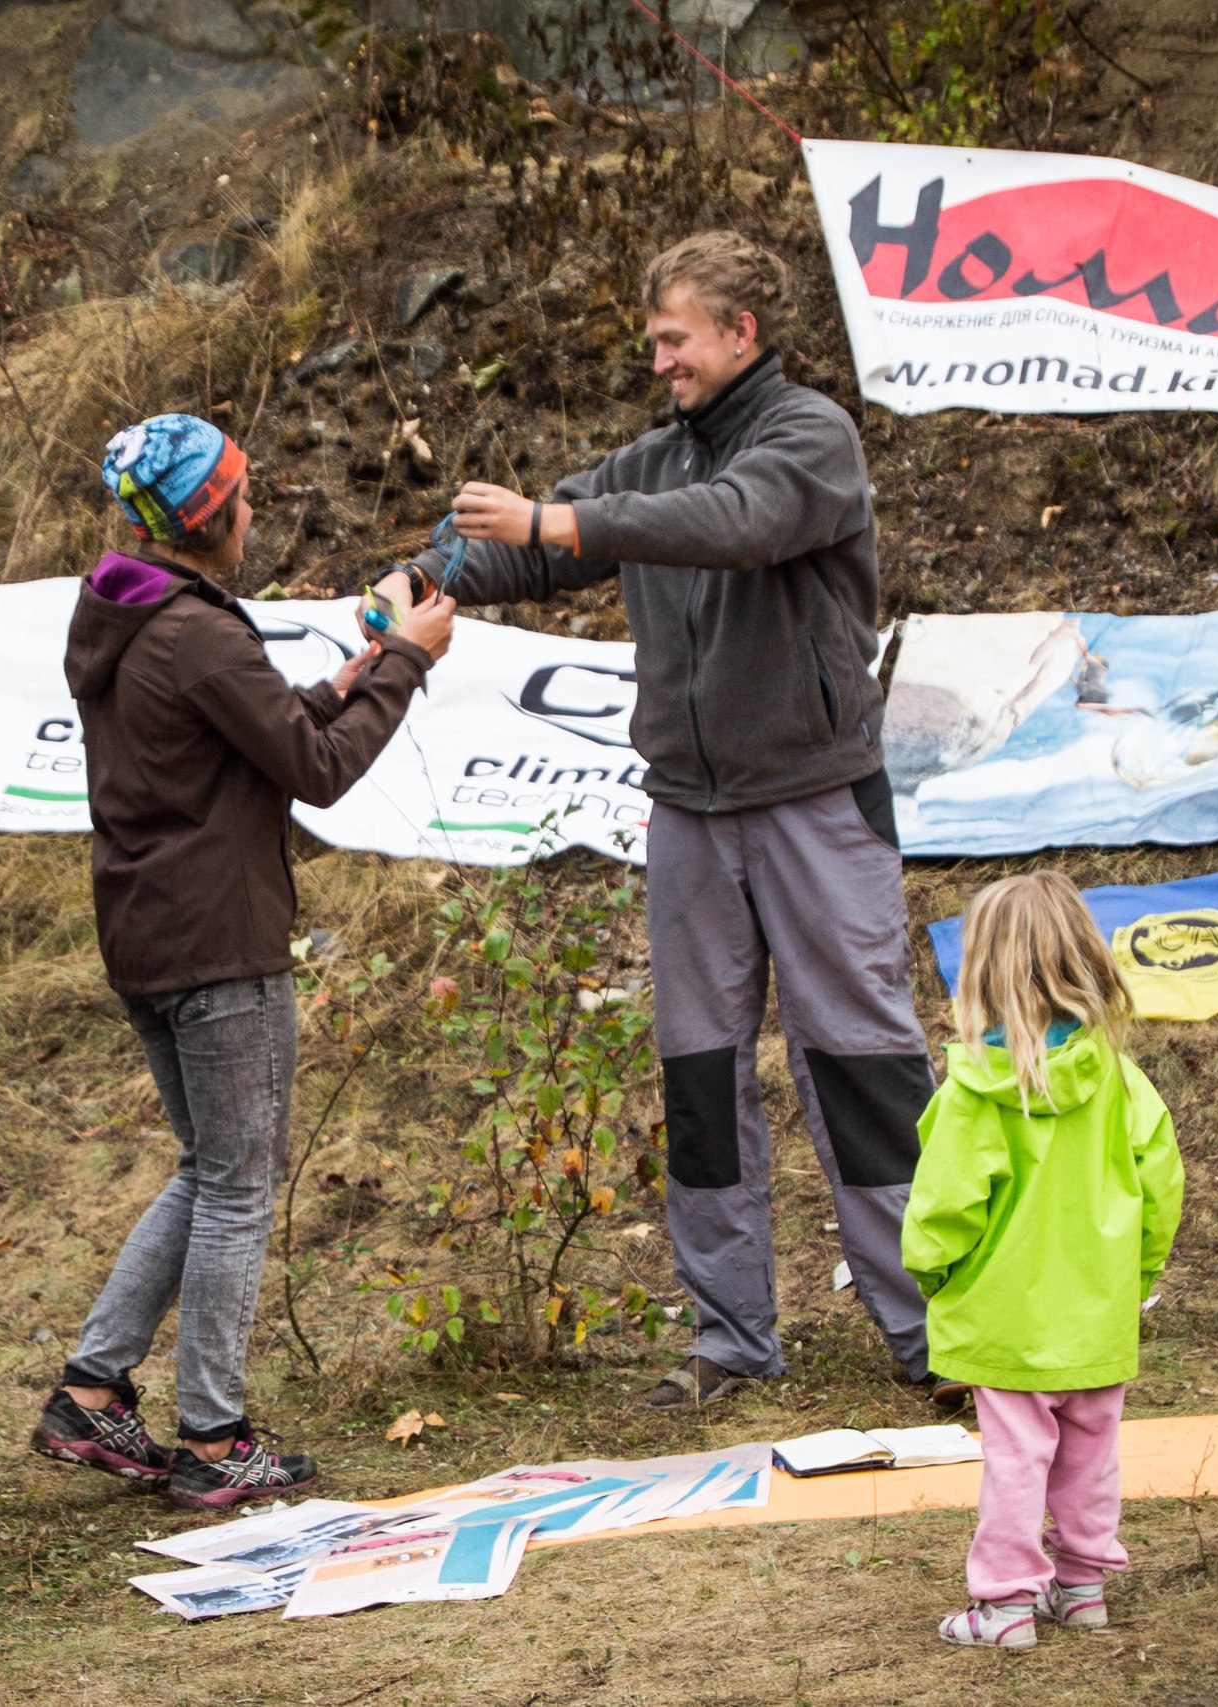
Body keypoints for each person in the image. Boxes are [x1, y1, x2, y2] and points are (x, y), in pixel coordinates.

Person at [381, 229, 946, 1409]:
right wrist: (421, 580)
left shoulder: (812, 441)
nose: (660, 362)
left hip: (812, 803)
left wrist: (564, 525)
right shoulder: (646, 466)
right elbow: (528, 548)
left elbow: (732, 521)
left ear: (741, 334)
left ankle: (935, 1335)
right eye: (652, 342)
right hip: (687, 812)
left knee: (864, 1071)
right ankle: (731, 1343)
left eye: (674, 340)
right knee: (700, 1079)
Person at [35, 413, 455, 1510]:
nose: (254, 507)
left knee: (207, 1168)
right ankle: (214, 1440)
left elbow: (256, 729)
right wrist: (406, 663)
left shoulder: (126, 607)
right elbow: (315, 771)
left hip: (146, 931)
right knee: (236, 1186)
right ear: (204, 515)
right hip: (219, 937)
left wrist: (356, 673)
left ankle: (91, 1392)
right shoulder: (199, 632)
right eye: (241, 493)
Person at [900, 871, 1185, 1649]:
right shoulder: (1123, 1082)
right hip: (1097, 1314)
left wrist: (932, 1274)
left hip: (1007, 1320)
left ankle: (1004, 1605)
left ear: (981, 972)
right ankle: (1083, 1586)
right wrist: (1137, 1278)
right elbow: (1162, 1183)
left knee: (1017, 1460)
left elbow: (944, 1206)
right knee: (1091, 1454)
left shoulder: (976, 1091)